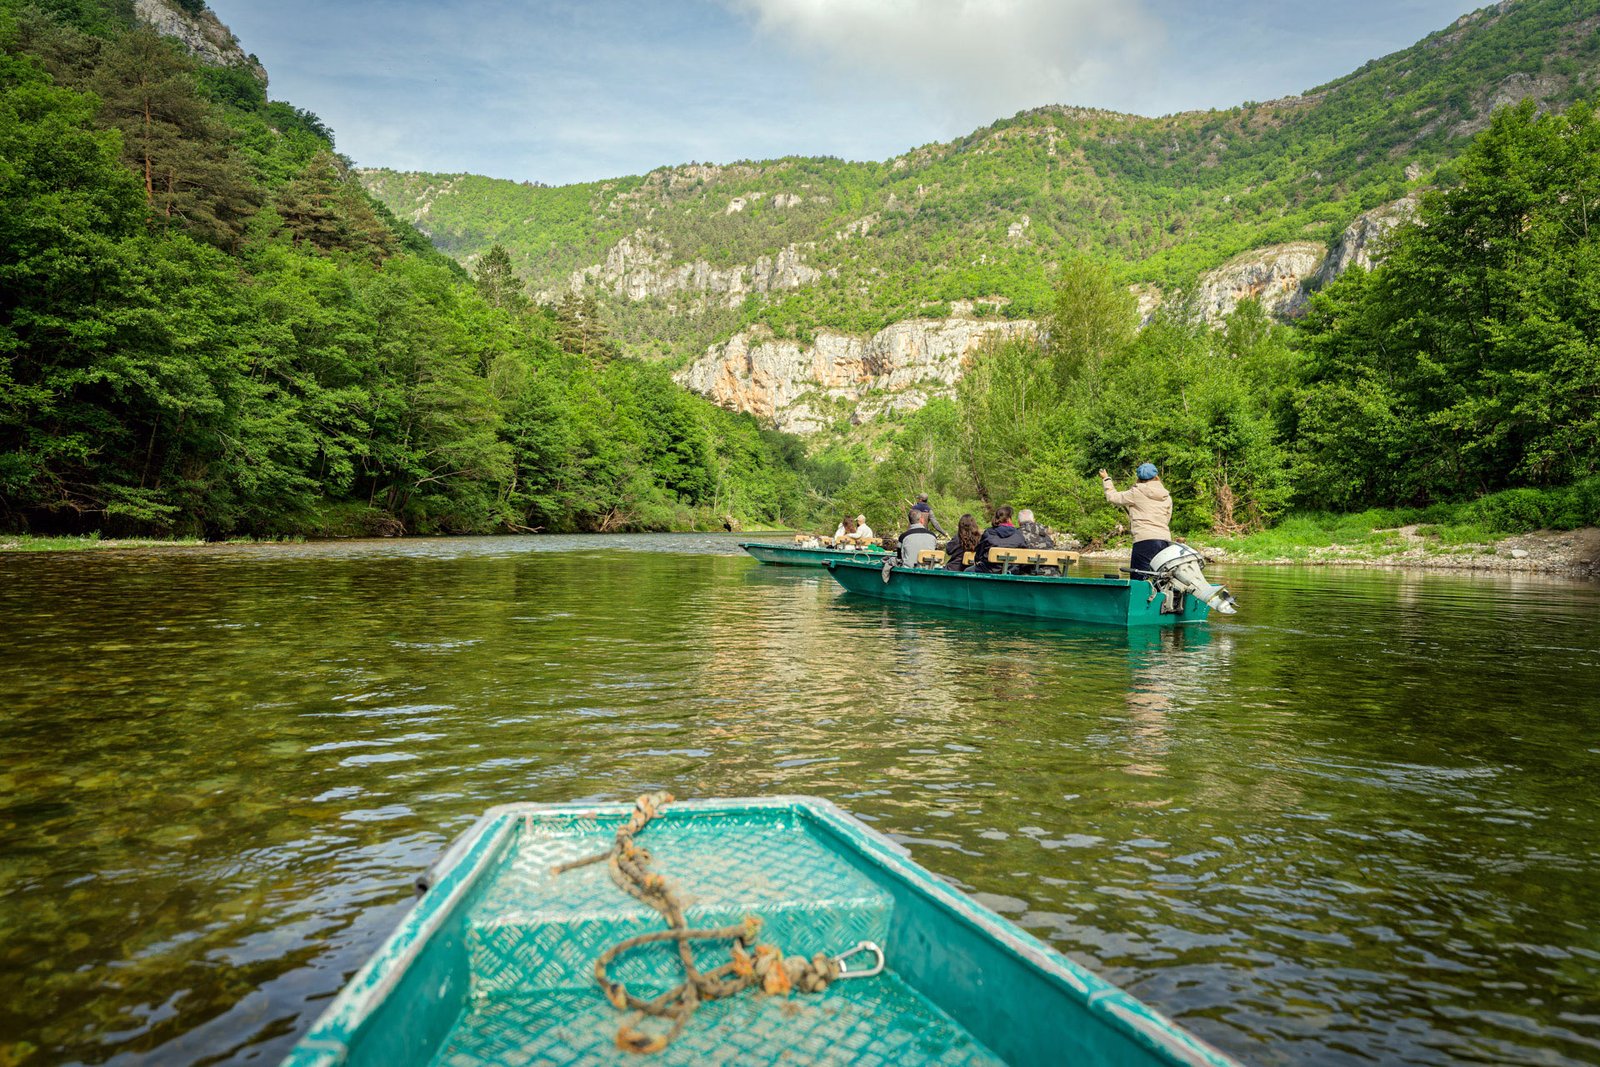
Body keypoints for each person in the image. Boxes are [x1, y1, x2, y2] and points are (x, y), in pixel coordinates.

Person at [1100, 463, 1172, 576]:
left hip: (1144, 540)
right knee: (1162, 578)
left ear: (1138, 478)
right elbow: (1167, 518)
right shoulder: (1166, 496)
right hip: (1165, 541)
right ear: (1156, 476)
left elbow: (1112, 497)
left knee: (1139, 578)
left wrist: (1106, 479)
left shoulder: (1135, 493)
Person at [971, 505, 1028, 573]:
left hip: (988, 570)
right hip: (1011, 571)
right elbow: (1024, 554)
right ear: (1009, 519)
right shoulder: (1018, 534)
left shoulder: (988, 533)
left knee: (967, 571)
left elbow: (979, 554)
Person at [1015, 508, 1058, 575]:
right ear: (1034, 520)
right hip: (1053, 574)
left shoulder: (1017, 534)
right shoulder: (1046, 533)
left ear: (1019, 522)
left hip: (1029, 574)